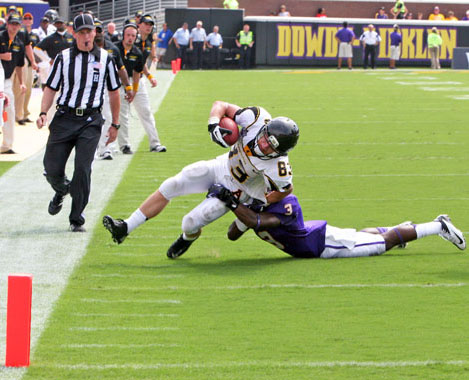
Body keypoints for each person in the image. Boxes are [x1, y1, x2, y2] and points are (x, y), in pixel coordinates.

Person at [103, 101, 300, 259]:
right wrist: (214, 123)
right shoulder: (257, 118)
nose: (263, 143)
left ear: (280, 152)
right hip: (222, 166)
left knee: (189, 222)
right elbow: (221, 104)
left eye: (270, 146)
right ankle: (125, 227)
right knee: (173, 184)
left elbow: (285, 190)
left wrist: (260, 200)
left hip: (236, 190)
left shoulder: (279, 168)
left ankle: (187, 238)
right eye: (265, 137)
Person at [36, 14, 121, 232]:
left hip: (91, 120)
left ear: (95, 32)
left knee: (83, 169)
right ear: (74, 34)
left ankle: (77, 218)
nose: (85, 36)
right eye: (81, 32)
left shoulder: (105, 58)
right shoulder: (63, 58)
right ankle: (62, 189)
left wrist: (115, 125)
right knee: (51, 168)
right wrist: (43, 112)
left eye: (89, 31)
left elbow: (113, 93)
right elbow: (50, 87)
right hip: (65, 117)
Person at [207, 187, 466, 258]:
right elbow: (233, 233)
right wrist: (236, 208)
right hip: (317, 237)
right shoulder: (253, 207)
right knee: (364, 236)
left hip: (323, 245)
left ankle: (438, 226)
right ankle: (401, 228)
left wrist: (232, 203)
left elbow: (258, 222)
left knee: (380, 245)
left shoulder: (286, 205)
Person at [116, 19, 166, 155]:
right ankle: (123, 145)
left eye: (151, 25)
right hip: (121, 81)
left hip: (137, 79)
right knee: (121, 115)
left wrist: (148, 78)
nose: (149, 27)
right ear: (139, 26)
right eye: (146, 24)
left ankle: (155, 143)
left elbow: (140, 65)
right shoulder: (125, 44)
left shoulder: (148, 43)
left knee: (146, 111)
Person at [94, 19, 133, 160]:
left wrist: (128, 87)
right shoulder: (85, 47)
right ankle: (96, 147)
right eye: (95, 30)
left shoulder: (112, 49)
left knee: (108, 117)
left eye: (99, 30)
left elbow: (121, 69)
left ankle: (105, 148)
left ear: (103, 31)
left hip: (107, 87)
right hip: (89, 87)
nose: (97, 33)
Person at [0, 14, 26, 154]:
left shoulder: (19, 44)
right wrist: (1, 56)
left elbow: (20, 66)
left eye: (17, 24)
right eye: (12, 24)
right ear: (7, 24)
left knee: (10, 110)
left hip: (7, 81)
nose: (14, 26)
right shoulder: (0, 36)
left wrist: (22, 82)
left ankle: (7, 145)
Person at [13, 12, 38, 126]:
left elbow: (29, 47)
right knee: (7, 90)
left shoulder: (24, 33)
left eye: (16, 23)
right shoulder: (3, 32)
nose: (14, 25)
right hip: (7, 61)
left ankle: (20, 115)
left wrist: (33, 61)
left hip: (22, 61)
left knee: (22, 89)